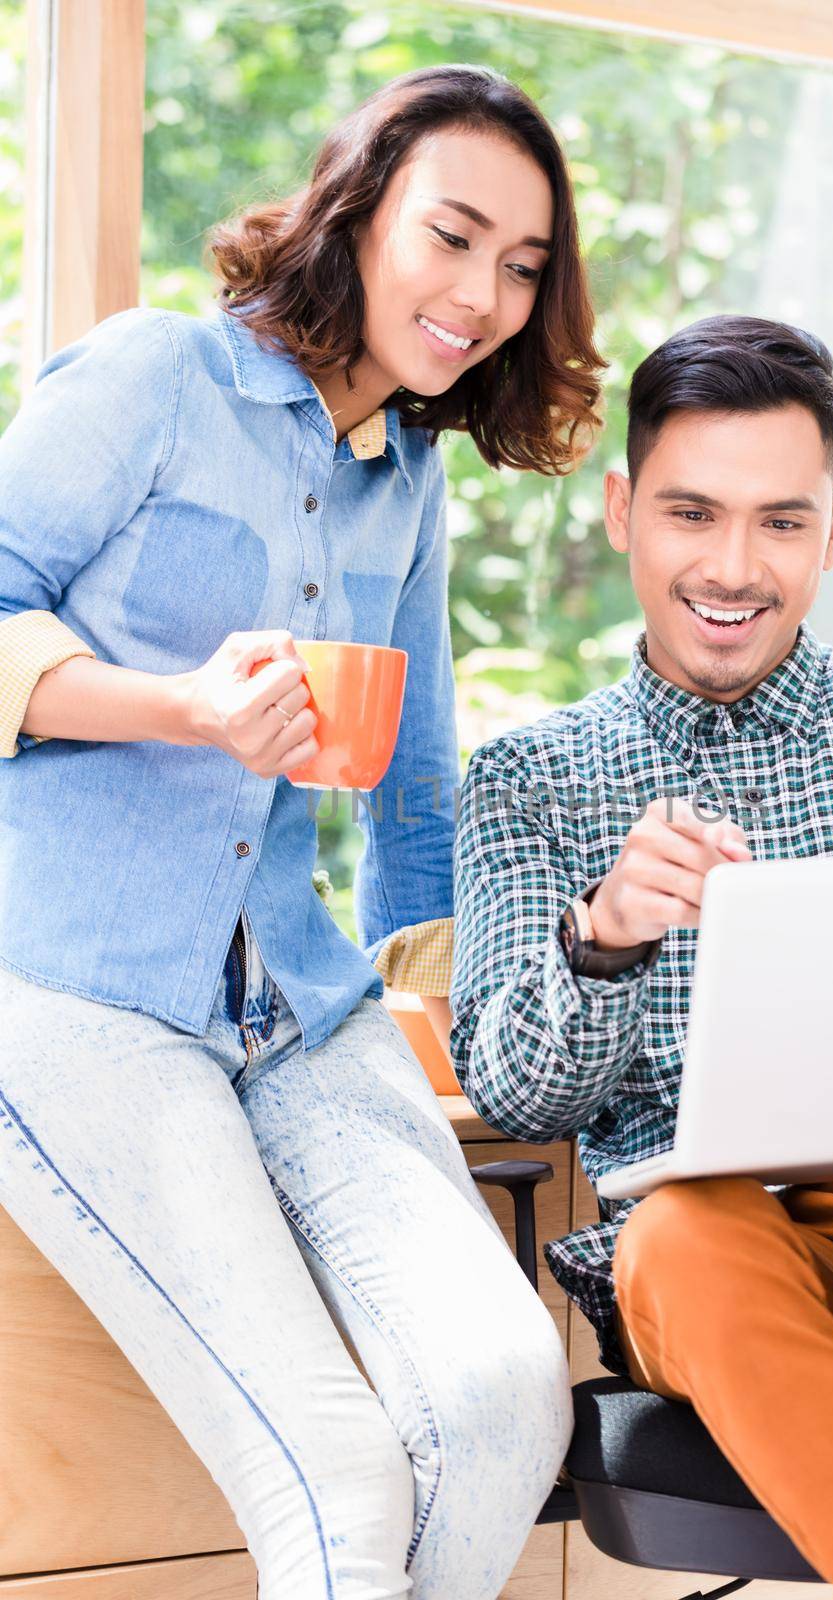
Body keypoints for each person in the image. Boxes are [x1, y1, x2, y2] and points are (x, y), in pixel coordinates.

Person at [0, 65, 603, 1600]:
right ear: (356, 213)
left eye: (521, 268)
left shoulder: (405, 478)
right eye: (452, 236)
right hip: (77, 993)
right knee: (335, 1475)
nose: (482, 295)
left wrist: (466, 1007)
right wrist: (181, 708)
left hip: (299, 1004)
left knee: (499, 1401)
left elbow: (413, 789)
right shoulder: (154, 378)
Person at [451, 314, 833, 1600]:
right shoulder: (533, 779)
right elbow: (513, 1092)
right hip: (741, 1277)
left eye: (782, 522)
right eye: (692, 512)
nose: (734, 565)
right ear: (622, 512)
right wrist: (604, 936)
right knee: (675, 1233)